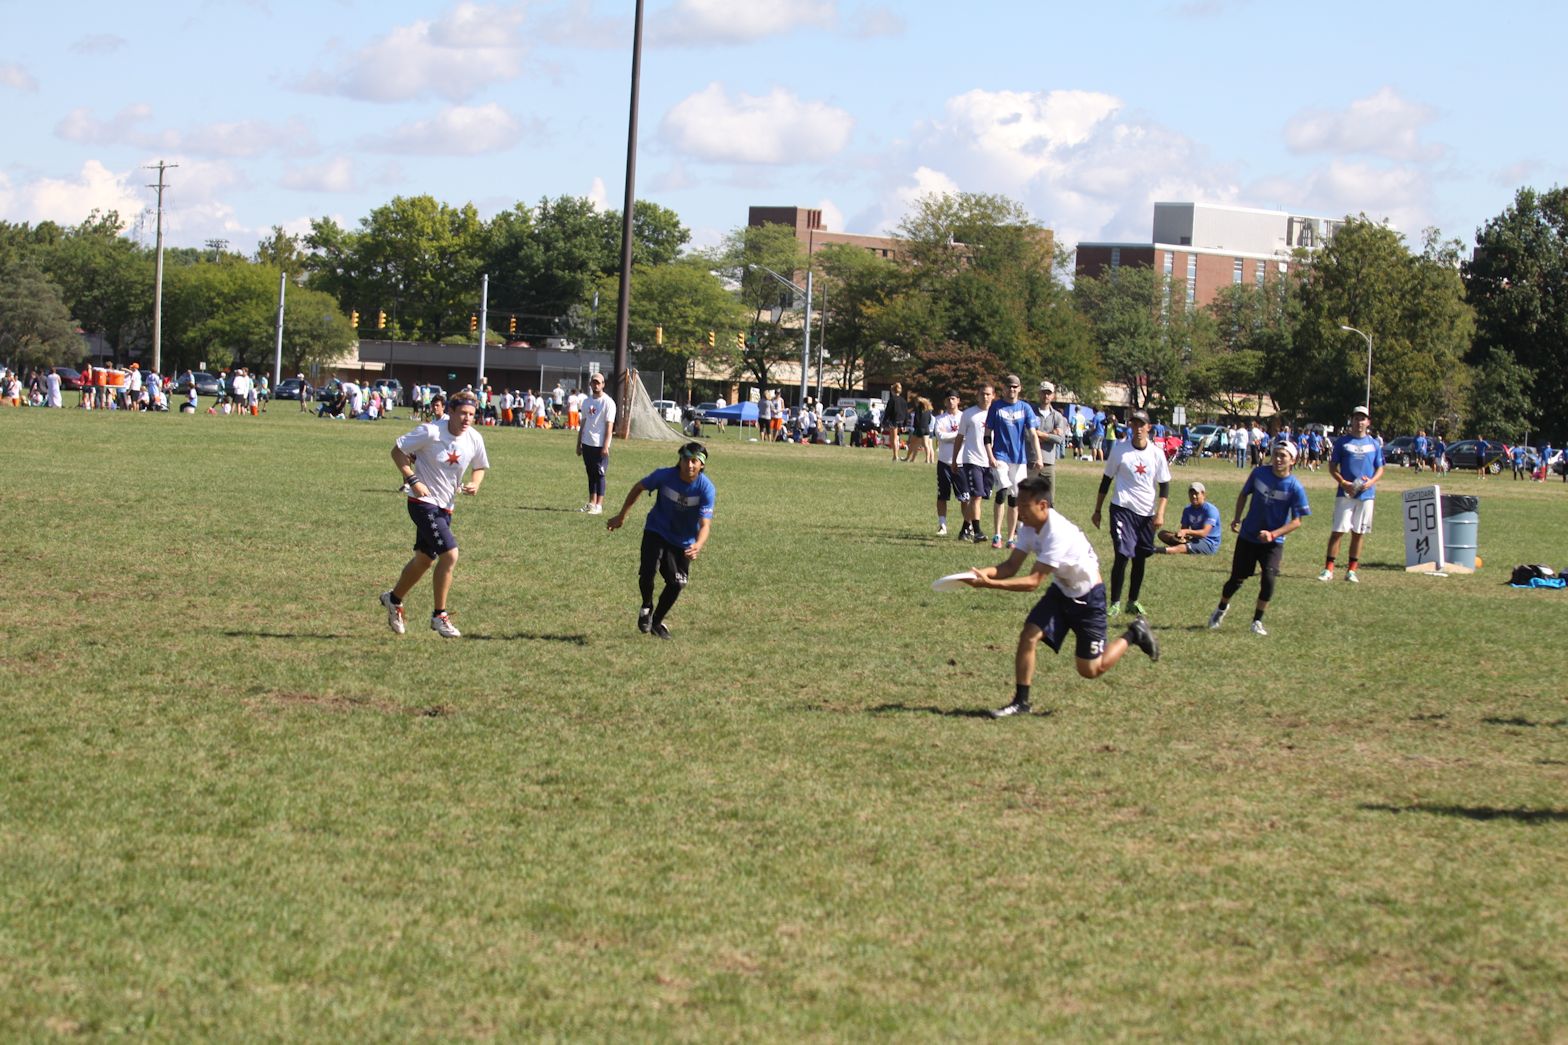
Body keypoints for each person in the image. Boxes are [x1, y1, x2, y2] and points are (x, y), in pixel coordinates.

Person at [961, 474, 1160, 719]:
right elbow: (1010, 566)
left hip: (1088, 598)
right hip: (1061, 591)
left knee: (1090, 669)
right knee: (1029, 634)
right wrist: (981, 573)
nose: (1019, 510)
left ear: (1042, 505)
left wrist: (989, 584)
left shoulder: (1057, 532)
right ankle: (1021, 702)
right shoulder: (1028, 526)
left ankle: (1134, 633)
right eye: (1018, 504)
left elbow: (1033, 582)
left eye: (1024, 506)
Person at [380, 390, 490, 638]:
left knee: (424, 560)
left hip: (445, 507)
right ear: (450, 411)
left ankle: (393, 599)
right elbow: (397, 452)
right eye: (462, 413)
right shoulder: (431, 432)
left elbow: (480, 466)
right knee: (450, 554)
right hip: (422, 502)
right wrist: (413, 480)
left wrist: (475, 483)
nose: (467, 419)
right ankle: (439, 616)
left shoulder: (474, 437)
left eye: (471, 414)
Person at [606, 441, 715, 639]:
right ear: (679, 460)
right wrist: (621, 516)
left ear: (702, 465)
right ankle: (646, 606)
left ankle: (656, 622)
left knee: (677, 584)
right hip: (657, 530)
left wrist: (698, 545)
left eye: (694, 461)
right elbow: (639, 487)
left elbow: (705, 524)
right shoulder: (664, 476)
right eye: (685, 459)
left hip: (683, 541)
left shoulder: (705, 488)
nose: (689, 465)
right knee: (648, 571)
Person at [1208, 441, 1311, 637]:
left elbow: (1297, 521)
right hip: (1248, 536)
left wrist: (1273, 534)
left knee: (1269, 579)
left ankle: (1257, 621)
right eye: (1276, 454)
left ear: (1293, 460)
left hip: (1273, 542)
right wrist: (1237, 518)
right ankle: (1221, 608)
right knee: (1236, 580)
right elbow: (1243, 494)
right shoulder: (1259, 473)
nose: (1278, 459)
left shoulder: (1295, 487)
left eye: (1283, 456)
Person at [1090, 410, 1170, 617]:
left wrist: (1160, 513)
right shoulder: (1120, 450)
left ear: (1149, 427)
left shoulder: (1157, 454)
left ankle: (1132, 601)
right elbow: (1106, 481)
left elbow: (1164, 486)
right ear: (1130, 426)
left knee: (1140, 557)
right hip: (1122, 509)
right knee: (1122, 554)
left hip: (1146, 513)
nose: (1138, 428)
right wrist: (1097, 510)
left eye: (1142, 424)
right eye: (1134, 424)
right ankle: (1115, 602)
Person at [1319, 405, 1385, 585]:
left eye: (1363, 419)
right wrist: (1343, 483)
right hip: (1345, 494)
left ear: (1368, 422)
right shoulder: (1342, 442)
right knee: (1338, 531)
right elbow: (1332, 467)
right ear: (1352, 421)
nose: (1359, 422)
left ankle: (1351, 570)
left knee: (1358, 532)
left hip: (1366, 495)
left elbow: (1380, 468)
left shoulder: (1374, 444)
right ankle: (1328, 569)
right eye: (1356, 418)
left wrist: (1371, 482)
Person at [984, 374, 1040, 549]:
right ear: (1003, 388)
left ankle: (1011, 538)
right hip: (1000, 456)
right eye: (1009, 386)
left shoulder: (1025, 408)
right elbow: (987, 435)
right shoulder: (996, 407)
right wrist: (990, 456)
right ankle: (997, 535)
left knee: (1015, 497)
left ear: (1019, 388)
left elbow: (1033, 434)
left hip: (1019, 459)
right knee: (1002, 491)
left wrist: (1038, 456)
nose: (1012, 389)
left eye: (1015, 387)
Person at [949, 383, 996, 543]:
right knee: (976, 496)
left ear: (993, 396)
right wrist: (955, 460)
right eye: (982, 394)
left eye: (988, 394)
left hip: (989, 461)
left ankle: (964, 529)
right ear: (977, 395)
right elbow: (959, 437)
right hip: (972, 459)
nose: (985, 397)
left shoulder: (996, 414)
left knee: (981, 496)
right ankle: (977, 532)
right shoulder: (969, 414)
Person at [576, 371, 616, 514]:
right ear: (590, 384)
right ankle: (591, 503)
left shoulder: (608, 402)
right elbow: (583, 423)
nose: (596, 385)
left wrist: (606, 445)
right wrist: (579, 443)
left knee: (600, 474)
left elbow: (609, 427)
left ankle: (599, 505)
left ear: (603, 384)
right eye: (594, 382)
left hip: (600, 445)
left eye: (598, 383)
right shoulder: (587, 402)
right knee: (591, 474)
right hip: (587, 443)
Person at [932, 393, 968, 536]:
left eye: (953, 398)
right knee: (942, 496)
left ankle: (968, 526)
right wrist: (959, 436)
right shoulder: (940, 419)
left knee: (965, 497)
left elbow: (968, 436)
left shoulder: (965, 417)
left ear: (958, 400)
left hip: (961, 463)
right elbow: (940, 437)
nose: (951, 401)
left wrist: (952, 436)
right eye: (948, 399)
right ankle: (942, 525)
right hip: (944, 462)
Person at [1029, 380, 1069, 508]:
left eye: (1049, 393)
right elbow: (1027, 435)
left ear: (1053, 396)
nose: (1046, 396)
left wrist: (1040, 434)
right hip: (1031, 461)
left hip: (1049, 463)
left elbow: (1060, 439)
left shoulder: (1057, 416)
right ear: (1039, 394)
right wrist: (1051, 434)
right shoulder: (1030, 412)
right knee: (1028, 500)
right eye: (1043, 392)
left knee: (1049, 501)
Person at [1156, 481, 1221, 555]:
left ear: (1203, 494)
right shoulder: (1187, 509)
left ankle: (1156, 550)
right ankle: (1183, 546)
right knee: (1162, 534)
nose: (1194, 496)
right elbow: (1184, 529)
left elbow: (1204, 533)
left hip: (1209, 543)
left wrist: (1186, 531)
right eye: (1191, 494)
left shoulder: (1211, 510)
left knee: (1181, 547)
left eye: (1196, 494)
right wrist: (1180, 537)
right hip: (1194, 539)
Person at [883, 381, 910, 460]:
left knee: (893, 438)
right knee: (897, 438)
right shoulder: (903, 400)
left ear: (892, 391)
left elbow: (888, 411)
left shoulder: (892, 400)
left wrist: (884, 421)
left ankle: (895, 456)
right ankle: (896, 454)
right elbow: (906, 413)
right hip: (901, 421)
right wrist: (905, 424)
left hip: (894, 420)